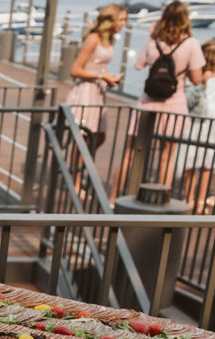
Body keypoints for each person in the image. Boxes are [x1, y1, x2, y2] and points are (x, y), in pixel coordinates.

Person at [129, 0, 205, 187]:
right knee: (167, 157)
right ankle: (160, 200)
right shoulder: (191, 44)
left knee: (132, 154)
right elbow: (196, 79)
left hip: (147, 102)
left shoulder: (154, 41)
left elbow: (138, 64)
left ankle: (116, 197)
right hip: (174, 103)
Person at [64, 3, 127, 152]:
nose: (124, 24)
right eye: (121, 19)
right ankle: (75, 173)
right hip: (86, 92)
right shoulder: (93, 39)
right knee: (84, 136)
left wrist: (108, 77)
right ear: (111, 20)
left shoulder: (108, 39)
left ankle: (80, 168)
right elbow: (75, 70)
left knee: (98, 136)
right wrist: (101, 76)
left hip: (98, 92)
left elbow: (99, 65)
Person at [181, 40, 215, 211]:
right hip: (195, 124)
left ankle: (200, 200)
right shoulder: (194, 77)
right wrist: (201, 85)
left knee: (207, 164)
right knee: (191, 163)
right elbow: (187, 101)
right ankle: (189, 199)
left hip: (212, 127)